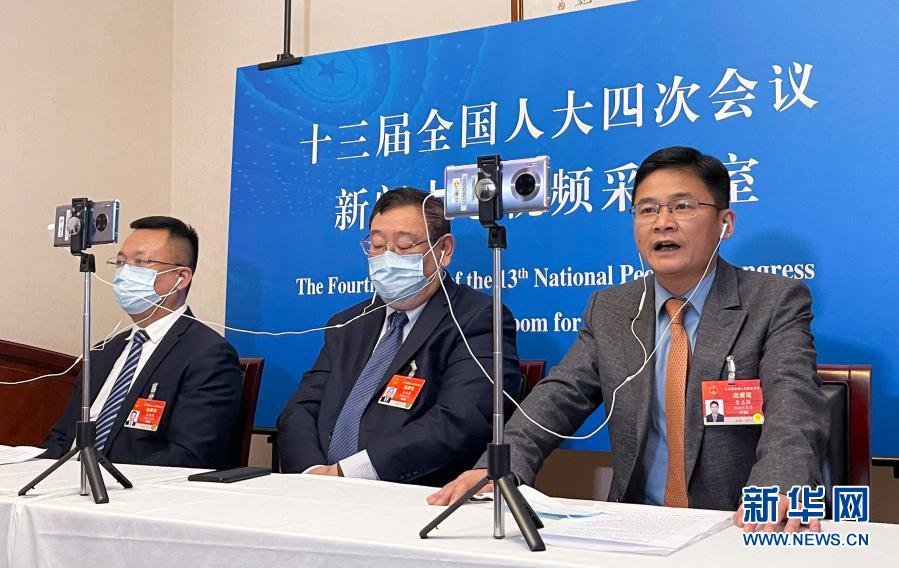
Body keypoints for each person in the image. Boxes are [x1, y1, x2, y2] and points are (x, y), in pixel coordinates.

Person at [428, 147, 828, 533]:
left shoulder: (773, 302)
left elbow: (793, 404)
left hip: (738, 525)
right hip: (638, 528)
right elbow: (558, 397)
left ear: (726, 223)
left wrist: (778, 487)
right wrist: (498, 468)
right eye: (647, 209)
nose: (663, 223)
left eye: (683, 206)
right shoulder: (612, 309)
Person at [277, 187, 520, 486]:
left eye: (404, 246)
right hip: (317, 489)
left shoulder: (477, 319)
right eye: (377, 245)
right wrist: (312, 473)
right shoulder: (348, 324)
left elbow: (461, 420)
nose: (387, 257)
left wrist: (346, 473)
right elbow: (300, 409)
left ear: (444, 250)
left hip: (413, 495)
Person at [43, 216, 243, 469]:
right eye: (121, 262)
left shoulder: (208, 355)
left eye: (141, 262)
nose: (125, 273)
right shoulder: (103, 350)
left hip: (132, 486)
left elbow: (189, 455)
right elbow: (62, 438)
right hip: (66, 481)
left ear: (181, 277)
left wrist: (104, 478)